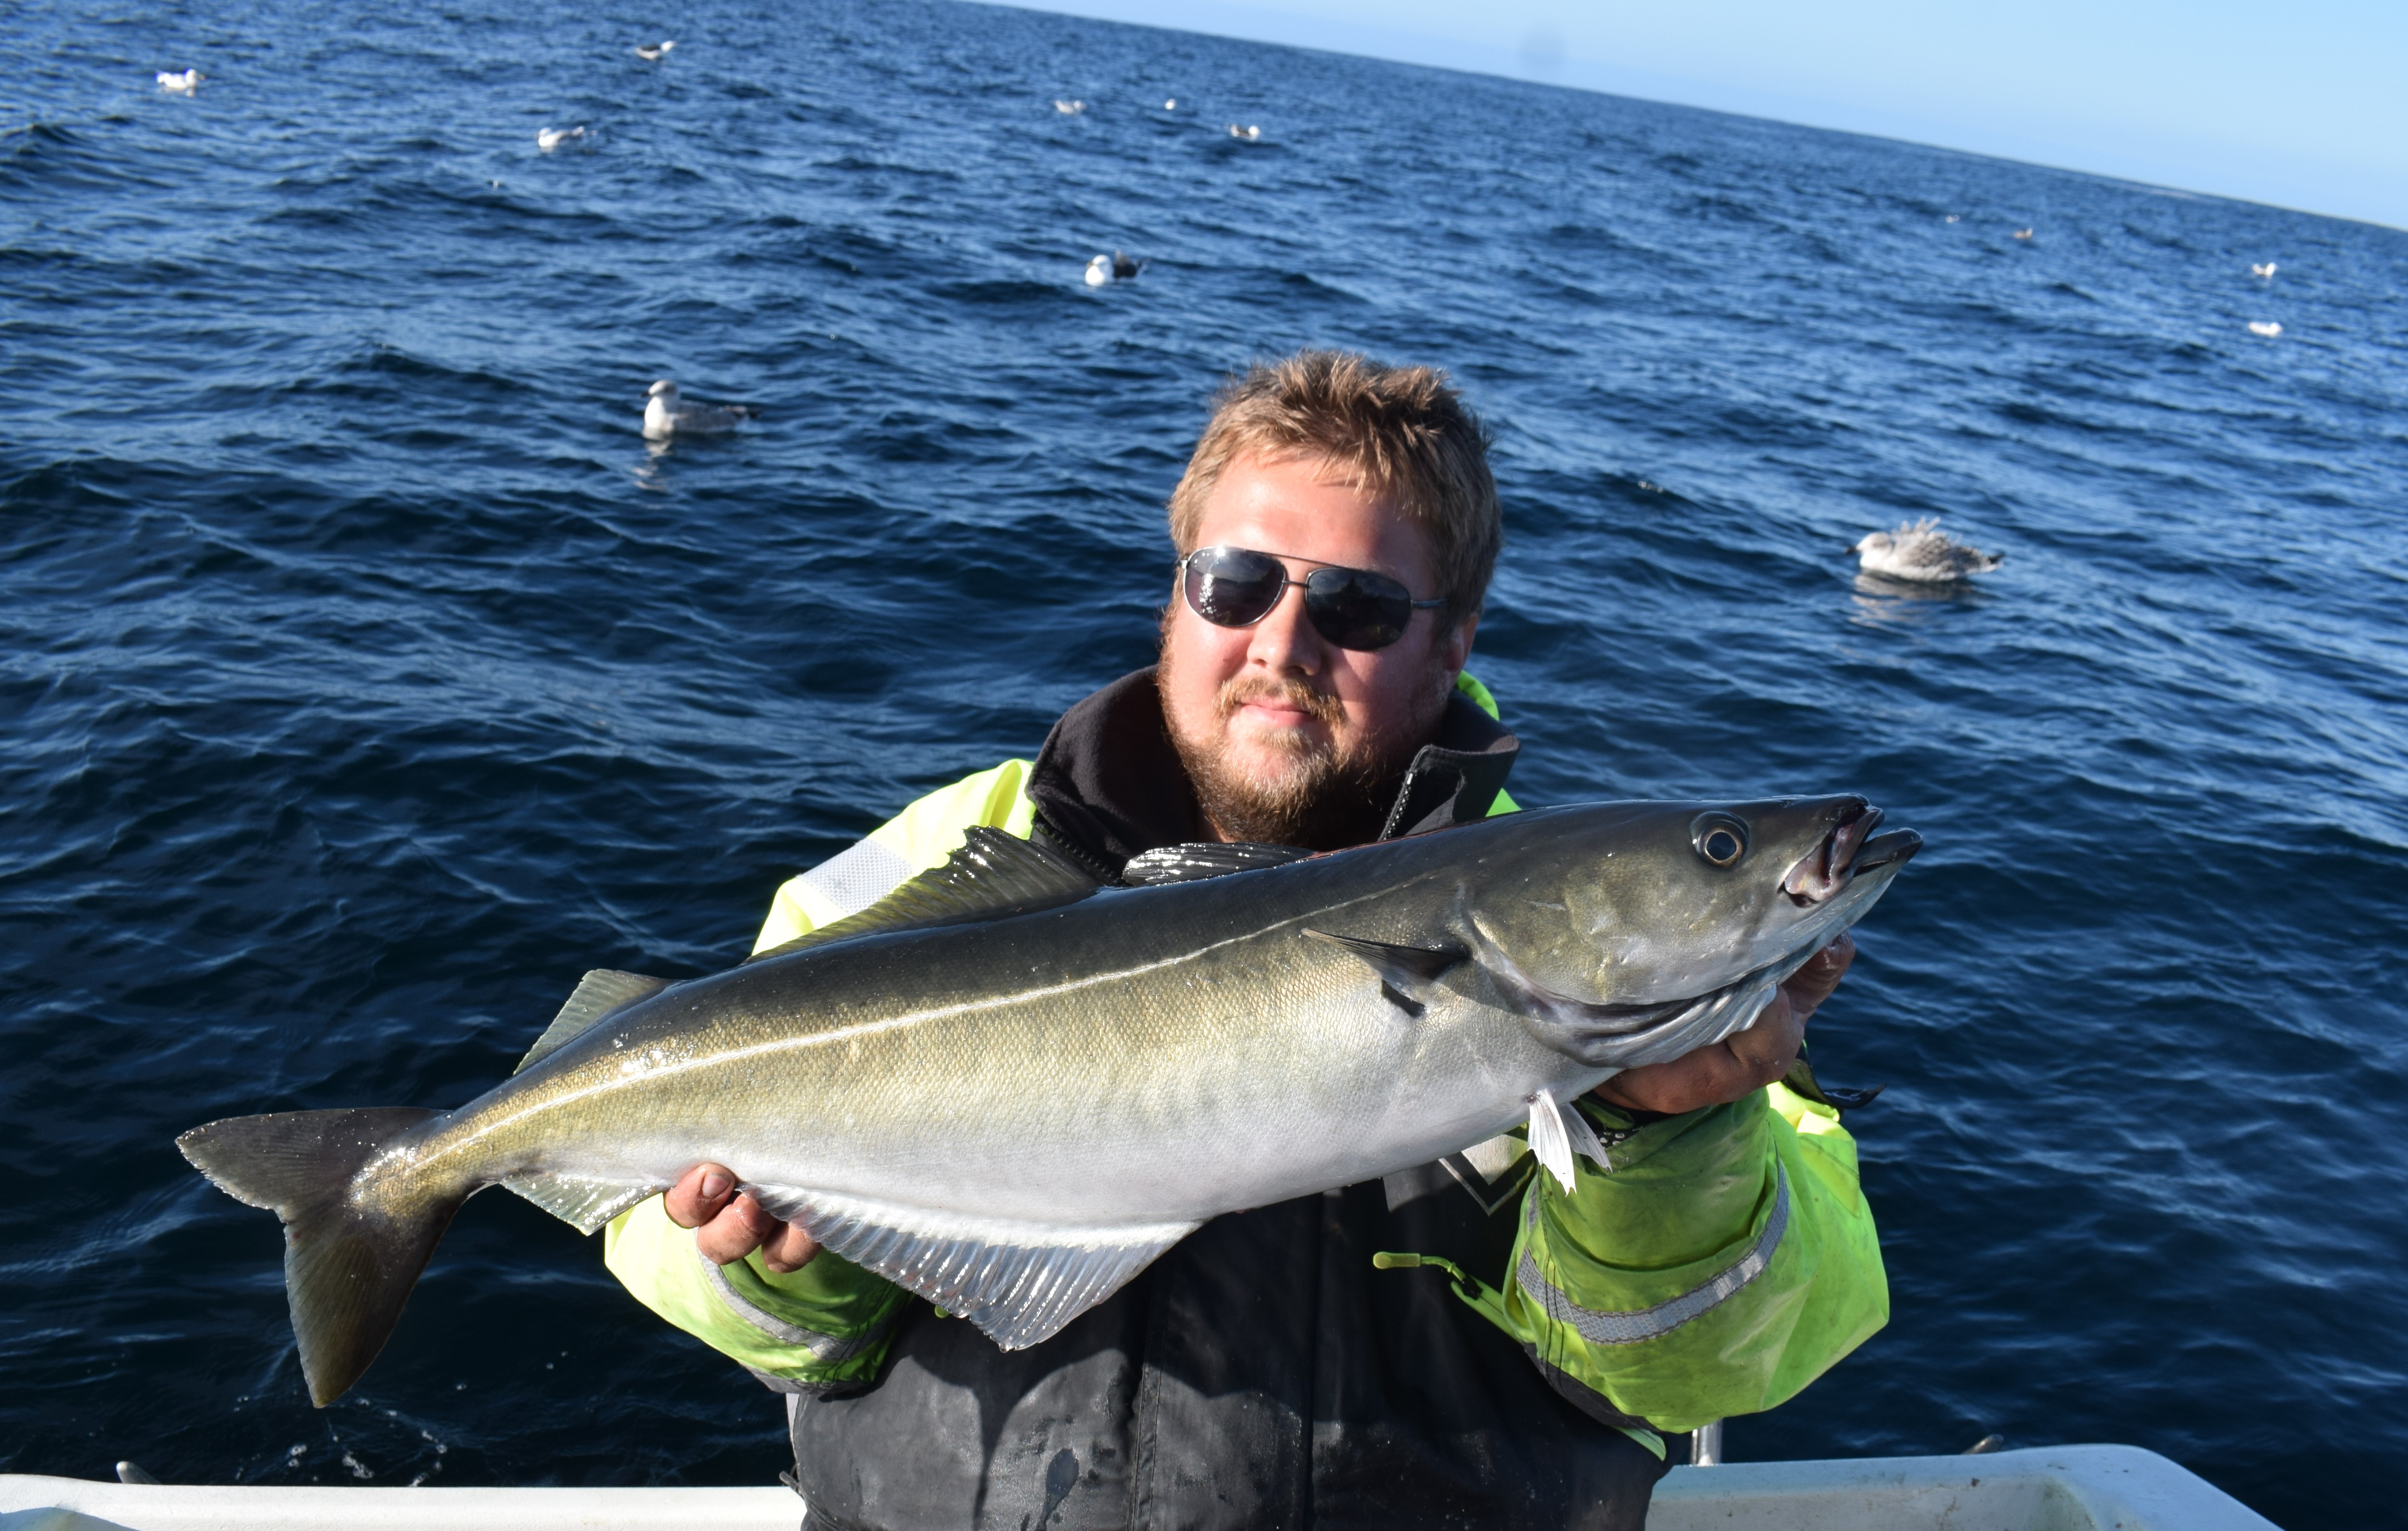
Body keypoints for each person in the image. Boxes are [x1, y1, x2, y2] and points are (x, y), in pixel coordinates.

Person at [604, 351, 1887, 1530]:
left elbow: (1727, 1355)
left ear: (1454, 641)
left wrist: (1672, 1141)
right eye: (1235, 582)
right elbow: (698, 1268)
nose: (1283, 642)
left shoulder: (1696, 1011)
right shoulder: (945, 855)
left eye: (1361, 608)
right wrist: (786, 1276)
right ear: (1177, 595)